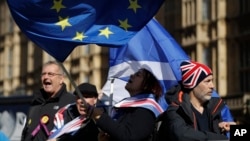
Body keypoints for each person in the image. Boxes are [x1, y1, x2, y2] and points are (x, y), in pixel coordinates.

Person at [157, 60, 236, 141]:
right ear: (192, 85)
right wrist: (221, 139)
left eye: (212, 81)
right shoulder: (176, 110)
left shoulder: (214, 108)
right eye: (207, 81)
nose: (212, 86)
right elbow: (182, 135)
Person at [82, 68, 164, 141]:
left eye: (138, 75)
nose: (132, 75)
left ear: (146, 85)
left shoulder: (146, 111)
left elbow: (128, 136)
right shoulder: (129, 108)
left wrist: (100, 117)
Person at [21, 61, 76, 141]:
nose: (46, 77)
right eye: (43, 74)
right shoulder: (36, 102)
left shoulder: (71, 102)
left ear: (61, 79)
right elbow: (25, 132)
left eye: (50, 74)